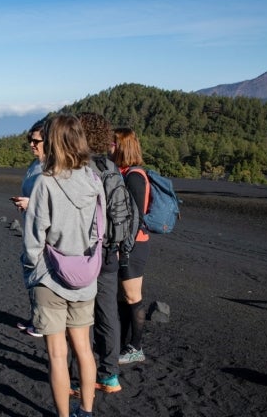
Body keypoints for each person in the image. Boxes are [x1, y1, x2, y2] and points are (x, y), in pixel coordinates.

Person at [21, 115, 105, 417]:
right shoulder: (94, 180)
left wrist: (32, 269)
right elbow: (100, 229)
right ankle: (86, 410)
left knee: (58, 355)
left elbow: (34, 236)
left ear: (54, 141)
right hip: (85, 276)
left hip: (50, 277)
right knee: (84, 349)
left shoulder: (45, 183)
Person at [78, 112, 123, 393]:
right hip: (109, 252)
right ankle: (110, 374)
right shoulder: (112, 168)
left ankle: (78, 372)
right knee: (108, 314)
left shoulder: (81, 170)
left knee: (79, 314)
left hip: (83, 251)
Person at [110, 127, 149, 364]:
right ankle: (125, 344)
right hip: (128, 245)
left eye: (112, 144)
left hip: (133, 246)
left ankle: (136, 347)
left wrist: (123, 248)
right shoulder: (124, 173)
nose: (108, 147)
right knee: (123, 297)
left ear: (122, 146)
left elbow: (135, 217)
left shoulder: (134, 176)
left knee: (133, 296)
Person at [11, 118, 46, 338]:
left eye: (36, 140)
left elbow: (55, 203)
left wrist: (30, 204)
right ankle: (36, 318)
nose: (31, 144)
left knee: (41, 275)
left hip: (44, 232)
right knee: (32, 272)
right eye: (29, 140)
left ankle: (42, 324)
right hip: (31, 227)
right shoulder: (35, 166)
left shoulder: (52, 168)